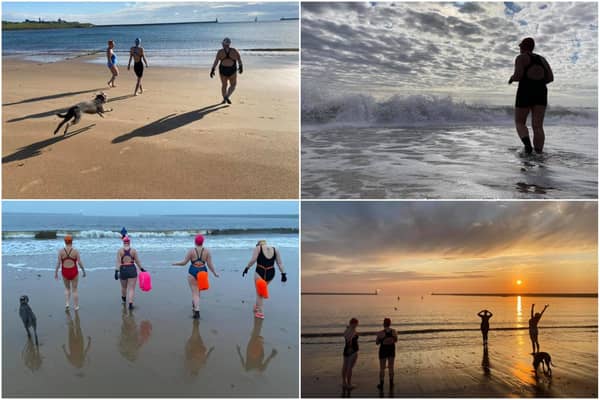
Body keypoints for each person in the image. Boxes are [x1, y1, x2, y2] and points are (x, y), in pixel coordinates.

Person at [508, 37, 554, 154]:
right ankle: (538, 153)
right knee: (538, 126)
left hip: (525, 90)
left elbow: (518, 76)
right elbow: (550, 78)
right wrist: (538, 82)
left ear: (523, 47)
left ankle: (528, 146)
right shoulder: (542, 59)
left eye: (520, 47)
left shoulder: (521, 58)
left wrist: (511, 78)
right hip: (541, 91)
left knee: (520, 122)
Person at [172, 234, 220, 319]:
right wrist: (214, 273)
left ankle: (197, 310)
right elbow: (210, 264)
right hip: (203, 272)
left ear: (195, 242)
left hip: (193, 271)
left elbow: (184, 263)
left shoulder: (191, 251)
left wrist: (175, 263)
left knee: (195, 293)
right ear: (202, 242)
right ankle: (195, 305)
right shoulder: (207, 251)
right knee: (197, 293)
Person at [242, 240, 287, 319]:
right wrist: (283, 274)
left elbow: (253, 260)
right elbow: (280, 263)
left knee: (259, 293)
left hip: (260, 272)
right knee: (261, 291)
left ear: (258, 244)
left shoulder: (258, 248)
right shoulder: (275, 249)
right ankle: (257, 306)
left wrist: (247, 268)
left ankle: (260, 313)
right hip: (271, 273)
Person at [54, 234, 86, 310]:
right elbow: (79, 262)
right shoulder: (75, 251)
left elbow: (58, 263)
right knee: (74, 290)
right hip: (74, 271)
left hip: (65, 272)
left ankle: (67, 303)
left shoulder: (61, 251)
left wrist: (56, 273)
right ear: (72, 241)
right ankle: (76, 306)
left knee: (67, 288)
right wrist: (83, 271)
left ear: (65, 242)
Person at [115, 236, 146, 310]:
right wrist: (141, 269)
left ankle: (124, 300)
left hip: (123, 269)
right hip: (132, 269)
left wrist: (116, 271)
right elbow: (137, 261)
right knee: (131, 289)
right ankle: (131, 304)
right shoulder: (133, 251)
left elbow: (118, 262)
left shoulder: (120, 251)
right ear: (129, 242)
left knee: (123, 287)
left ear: (123, 242)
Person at [210, 37, 243, 104]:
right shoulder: (234, 51)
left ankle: (224, 97)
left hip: (223, 70)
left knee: (224, 85)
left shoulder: (220, 52)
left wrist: (212, 70)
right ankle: (227, 96)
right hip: (232, 70)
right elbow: (239, 59)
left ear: (223, 44)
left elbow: (216, 61)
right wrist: (241, 67)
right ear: (229, 44)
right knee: (233, 85)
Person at [376, 318, 398, 390]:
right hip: (391, 350)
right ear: (390, 323)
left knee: (382, 368)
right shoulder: (394, 331)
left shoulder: (380, 333)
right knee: (391, 367)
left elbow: (377, 343)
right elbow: (396, 340)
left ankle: (381, 384)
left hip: (383, 350)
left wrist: (383, 340)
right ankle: (391, 383)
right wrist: (390, 340)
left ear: (384, 324)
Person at [342, 318, 359, 391]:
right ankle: (349, 384)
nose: (357, 325)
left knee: (345, 366)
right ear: (353, 323)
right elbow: (349, 340)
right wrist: (350, 348)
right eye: (356, 324)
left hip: (346, 350)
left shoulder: (346, 330)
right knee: (349, 368)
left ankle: (344, 382)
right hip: (352, 350)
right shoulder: (352, 330)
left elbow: (347, 338)